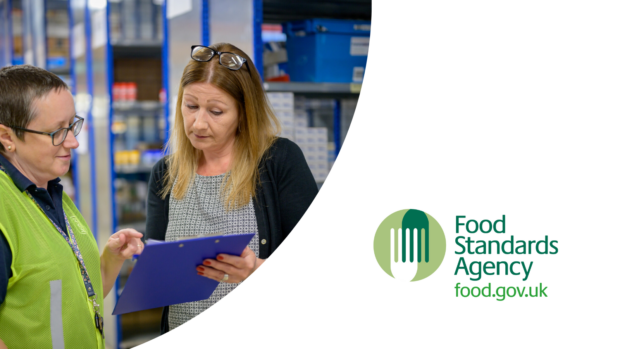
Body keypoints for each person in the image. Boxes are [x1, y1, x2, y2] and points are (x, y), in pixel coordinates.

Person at [146, 43, 318, 332]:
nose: (198, 123)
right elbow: (158, 275)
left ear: (244, 112)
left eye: (216, 111)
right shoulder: (165, 173)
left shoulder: (278, 161)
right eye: (190, 106)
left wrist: (256, 270)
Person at [0, 65, 144, 348]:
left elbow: (79, 296)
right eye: (57, 132)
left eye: (72, 125)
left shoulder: (50, 189)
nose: (74, 142)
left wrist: (111, 259)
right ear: (6, 137)